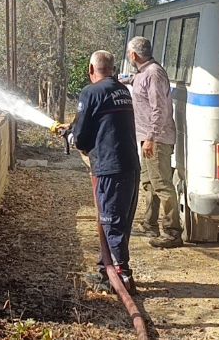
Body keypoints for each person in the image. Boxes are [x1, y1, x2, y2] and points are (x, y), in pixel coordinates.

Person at [67, 50, 140, 293]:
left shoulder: (91, 92)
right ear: (113, 68)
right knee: (121, 220)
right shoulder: (122, 91)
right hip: (130, 164)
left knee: (110, 220)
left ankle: (121, 274)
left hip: (110, 168)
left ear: (91, 70)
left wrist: (72, 137)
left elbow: (82, 138)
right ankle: (106, 266)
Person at [126, 36, 183, 248]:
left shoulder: (154, 74)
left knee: (162, 185)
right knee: (149, 183)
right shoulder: (143, 73)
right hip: (146, 138)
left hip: (156, 139)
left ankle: (172, 232)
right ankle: (149, 223)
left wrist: (151, 137)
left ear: (134, 55)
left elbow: (160, 109)